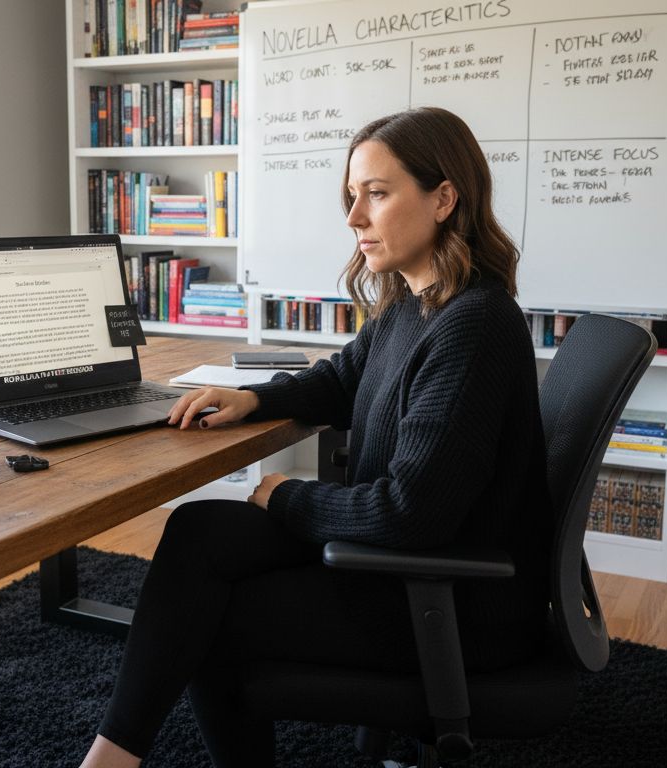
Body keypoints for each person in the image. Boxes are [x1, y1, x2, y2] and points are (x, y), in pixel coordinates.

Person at [79, 106, 554, 768]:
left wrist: (286, 497)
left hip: (454, 608)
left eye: (376, 194)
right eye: (352, 195)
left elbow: (409, 513)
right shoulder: (418, 303)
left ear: (444, 198)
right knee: (199, 531)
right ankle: (112, 758)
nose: (354, 217)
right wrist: (254, 398)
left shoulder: (473, 326)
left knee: (210, 614)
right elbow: (341, 379)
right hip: (406, 566)